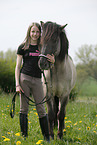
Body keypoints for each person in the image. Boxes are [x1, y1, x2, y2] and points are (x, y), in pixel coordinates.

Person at [15, 22, 55, 141]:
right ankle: (24, 137)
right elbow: (17, 67)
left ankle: (46, 138)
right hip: (24, 79)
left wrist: (53, 61)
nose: (35, 34)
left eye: (37, 32)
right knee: (24, 109)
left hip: (38, 80)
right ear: (29, 32)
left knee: (41, 109)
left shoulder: (42, 47)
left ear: (40, 33)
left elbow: (48, 65)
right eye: (33, 31)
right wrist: (17, 84)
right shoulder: (22, 47)